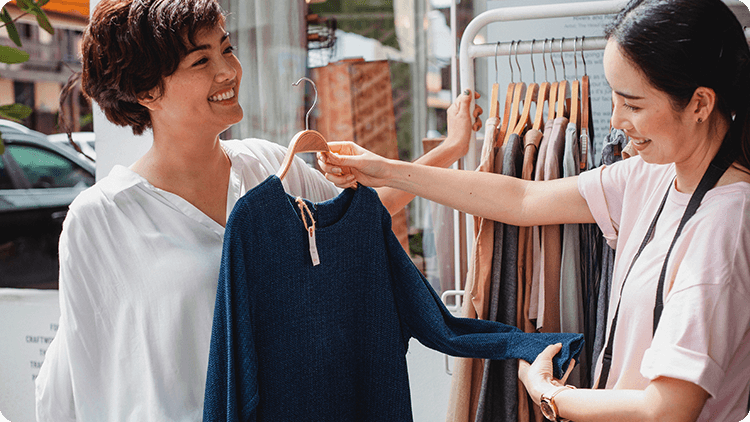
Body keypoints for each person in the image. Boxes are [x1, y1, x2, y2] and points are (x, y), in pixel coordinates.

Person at [34, 0, 482, 420]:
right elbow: (78, 372)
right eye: (201, 61)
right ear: (148, 90)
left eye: (226, 49)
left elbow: (353, 227)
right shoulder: (102, 218)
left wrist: (449, 149)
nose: (228, 70)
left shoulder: (269, 166)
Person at [319, 0, 750, 420]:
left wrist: (549, 395)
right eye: (615, 99)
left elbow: (666, 410)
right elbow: (522, 199)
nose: (616, 119)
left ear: (699, 104)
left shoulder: (723, 227)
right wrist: (385, 170)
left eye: (633, 104)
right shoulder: (651, 176)